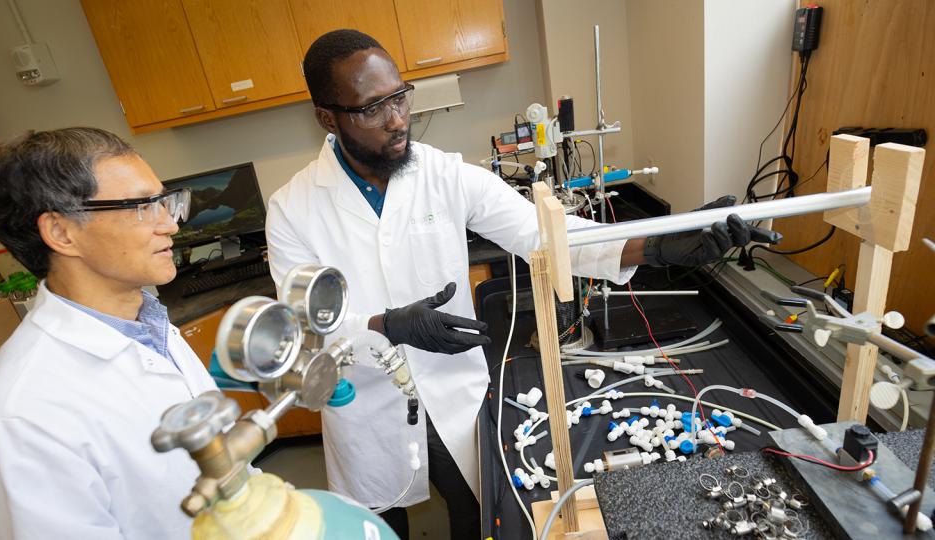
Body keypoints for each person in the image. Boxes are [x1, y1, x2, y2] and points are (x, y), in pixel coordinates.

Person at [266, 29, 778, 539]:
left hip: (453, 397)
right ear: (327, 118)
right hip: (366, 410)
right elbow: (305, 329)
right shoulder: (293, 209)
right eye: (373, 107)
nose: (398, 118)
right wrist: (387, 326)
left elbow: (547, 233)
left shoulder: (442, 175)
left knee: (479, 518)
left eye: (400, 96)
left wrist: (659, 243)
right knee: (374, 529)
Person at [0, 128, 215, 539]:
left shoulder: (151, 328)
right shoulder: (19, 418)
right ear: (62, 233)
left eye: (164, 202)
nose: (170, 225)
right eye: (142, 206)